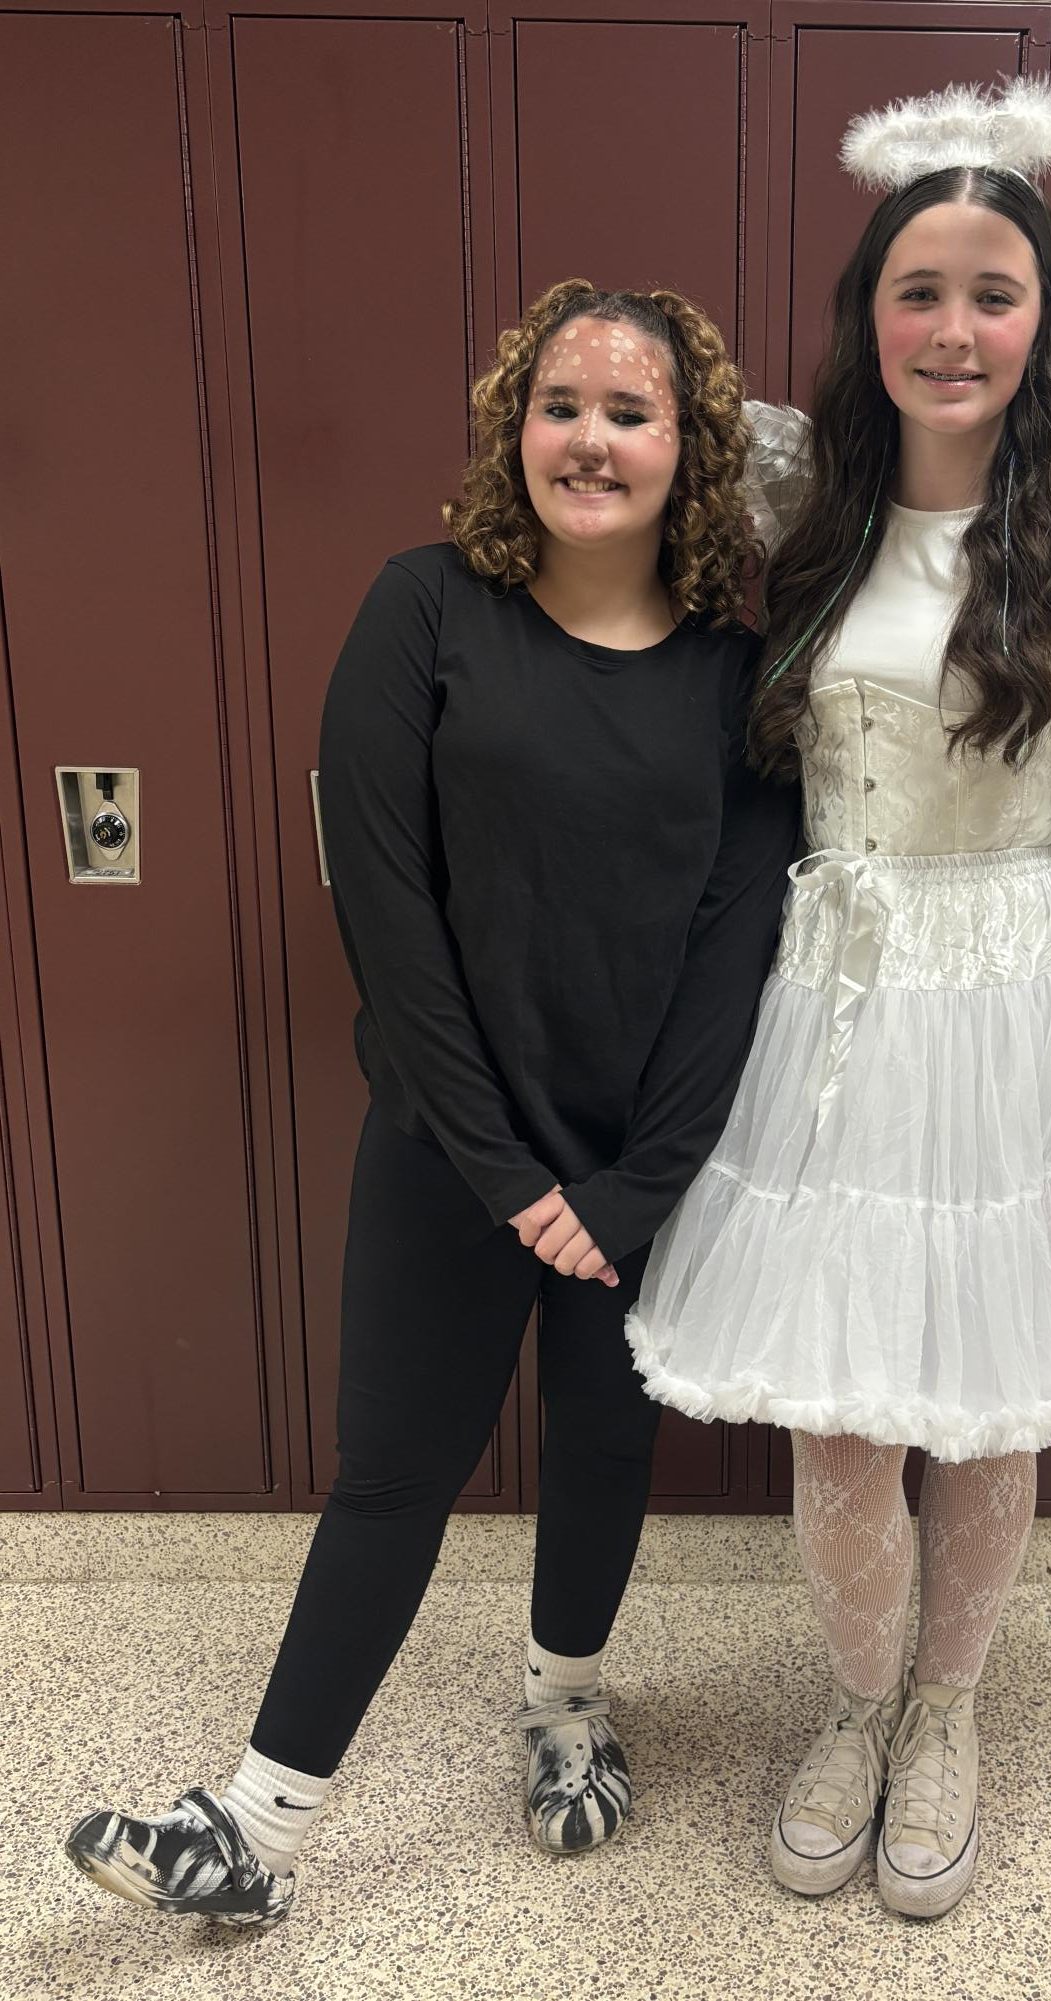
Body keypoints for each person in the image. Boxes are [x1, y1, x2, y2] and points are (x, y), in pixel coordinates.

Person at [63, 279, 800, 1928]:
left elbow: (734, 950)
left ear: (689, 453)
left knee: (606, 1447)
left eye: (631, 412)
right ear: (511, 426)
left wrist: (627, 1189)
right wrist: (507, 1173)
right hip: (445, 1154)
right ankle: (257, 1825)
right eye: (560, 404)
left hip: (639, 1180)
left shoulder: (743, 686)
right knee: (391, 1477)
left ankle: (564, 1699)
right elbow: (385, 916)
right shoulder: (424, 612)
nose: (590, 438)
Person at [625, 77, 1051, 1919]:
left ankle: (950, 1713)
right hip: (832, 1019)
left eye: (994, 291)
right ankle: (854, 1701)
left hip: (1013, 1014)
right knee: (842, 1421)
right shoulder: (812, 528)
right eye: (920, 289)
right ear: (870, 316)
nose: (954, 327)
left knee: (985, 1408)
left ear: (1040, 322)